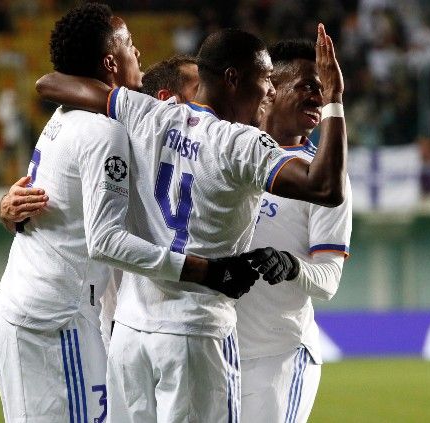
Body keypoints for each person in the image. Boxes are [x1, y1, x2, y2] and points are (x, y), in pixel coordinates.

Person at [34, 24, 347, 422]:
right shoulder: (240, 145)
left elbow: (50, 83)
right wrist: (334, 99)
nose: (269, 90)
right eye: (265, 79)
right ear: (234, 79)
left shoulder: (146, 112)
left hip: (131, 333)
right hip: (197, 333)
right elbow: (325, 187)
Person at [0, 5, 256, 423]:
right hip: (55, 317)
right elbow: (105, 240)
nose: (139, 54)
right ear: (111, 62)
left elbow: (48, 201)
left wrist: (9, 211)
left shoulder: (71, 117)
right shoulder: (104, 132)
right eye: (130, 44)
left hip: (47, 309)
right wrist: (205, 270)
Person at [233, 39, 352, 423]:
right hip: (215, 348)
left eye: (323, 88)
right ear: (270, 88)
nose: (318, 96)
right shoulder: (228, 148)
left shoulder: (322, 177)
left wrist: (291, 266)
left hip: (277, 359)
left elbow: (330, 279)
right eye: (307, 85)